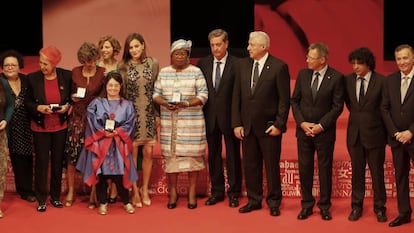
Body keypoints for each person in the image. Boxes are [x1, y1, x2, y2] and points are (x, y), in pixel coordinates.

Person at [232, 31, 291, 216]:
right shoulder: (242, 65)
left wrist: (280, 124)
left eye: (251, 44)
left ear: (263, 47)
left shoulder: (278, 67)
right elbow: (237, 97)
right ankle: (253, 199)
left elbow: (284, 99)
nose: (248, 48)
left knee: (271, 166)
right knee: (250, 165)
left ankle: (274, 201)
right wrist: (237, 123)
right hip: (247, 126)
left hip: (269, 126)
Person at [291, 42, 344, 221]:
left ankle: (324, 206)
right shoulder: (303, 74)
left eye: (311, 58)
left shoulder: (336, 77)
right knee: (305, 168)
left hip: (325, 132)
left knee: (324, 169)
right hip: (304, 131)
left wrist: (321, 126)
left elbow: (337, 107)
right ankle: (306, 205)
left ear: (322, 60)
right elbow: (295, 101)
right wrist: (301, 123)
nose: (306, 60)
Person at [153, 39, 208, 209]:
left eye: (182, 54)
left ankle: (192, 193)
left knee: (192, 159)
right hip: (170, 124)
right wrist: (164, 103)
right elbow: (155, 94)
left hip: (192, 124)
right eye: (176, 54)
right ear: (171, 56)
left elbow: (204, 95)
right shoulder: (164, 72)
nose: (179, 57)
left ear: (187, 56)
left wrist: (186, 103)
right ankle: (173, 193)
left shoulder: (196, 72)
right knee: (172, 160)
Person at [76, 71, 138, 215]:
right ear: (106, 85)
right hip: (101, 143)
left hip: (118, 144)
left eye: (116, 85)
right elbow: (91, 121)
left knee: (120, 174)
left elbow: (131, 123)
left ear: (120, 86)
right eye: (110, 85)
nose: (113, 88)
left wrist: (118, 132)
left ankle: (126, 202)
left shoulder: (128, 105)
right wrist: (102, 131)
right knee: (101, 175)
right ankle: (102, 203)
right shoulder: (96, 103)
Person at [197, 29, 242, 208]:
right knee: (213, 156)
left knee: (232, 156)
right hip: (209, 118)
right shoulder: (203, 63)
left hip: (231, 119)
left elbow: (239, 94)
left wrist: (239, 120)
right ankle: (217, 191)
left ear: (226, 44)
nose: (215, 48)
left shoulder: (238, 64)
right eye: (212, 45)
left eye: (218, 44)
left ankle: (234, 192)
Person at [25, 46, 72, 212]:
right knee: (42, 163)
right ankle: (41, 198)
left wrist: (67, 106)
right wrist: (39, 108)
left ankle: (56, 196)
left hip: (60, 126)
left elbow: (72, 98)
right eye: (40, 62)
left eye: (46, 63)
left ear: (54, 63)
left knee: (58, 162)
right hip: (40, 127)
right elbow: (28, 102)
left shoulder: (66, 76)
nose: (42, 66)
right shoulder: (32, 78)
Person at [344, 47, 387, 222]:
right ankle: (356, 206)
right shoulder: (347, 80)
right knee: (357, 173)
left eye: (359, 63)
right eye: (353, 63)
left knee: (377, 173)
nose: (355, 67)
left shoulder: (382, 81)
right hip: (354, 134)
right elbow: (349, 104)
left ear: (368, 64)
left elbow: (384, 107)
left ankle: (380, 207)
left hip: (375, 135)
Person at [118, 32, 160, 207]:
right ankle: (134, 190)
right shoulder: (123, 66)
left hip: (150, 113)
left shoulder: (153, 63)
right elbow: (122, 93)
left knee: (149, 153)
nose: (134, 49)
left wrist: (157, 114)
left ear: (143, 45)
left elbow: (157, 90)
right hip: (131, 115)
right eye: (131, 47)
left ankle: (144, 189)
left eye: (137, 46)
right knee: (133, 155)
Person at [64, 42, 105, 208]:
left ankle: (94, 191)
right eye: (87, 61)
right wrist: (71, 99)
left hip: (94, 118)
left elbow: (103, 97)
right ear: (82, 59)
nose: (90, 63)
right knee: (72, 155)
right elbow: (68, 93)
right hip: (77, 117)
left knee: (94, 155)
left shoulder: (102, 73)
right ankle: (71, 190)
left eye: (93, 60)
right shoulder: (74, 72)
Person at [381, 44, 414, 227]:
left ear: (413, 58)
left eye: (405, 57)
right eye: (399, 58)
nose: (402, 62)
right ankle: (404, 213)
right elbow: (384, 108)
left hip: (413, 135)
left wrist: (410, 132)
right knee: (401, 176)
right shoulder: (390, 80)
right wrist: (395, 133)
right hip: (397, 139)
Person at [0, 50, 36, 203]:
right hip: (8, 125)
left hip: (26, 124)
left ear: (19, 66)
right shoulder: (0, 82)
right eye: (6, 65)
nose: (9, 67)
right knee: (16, 157)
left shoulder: (26, 80)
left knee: (26, 156)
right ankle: (24, 190)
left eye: (13, 65)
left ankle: (27, 188)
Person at [97, 34, 122, 203]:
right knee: (103, 150)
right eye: (102, 47)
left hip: (118, 109)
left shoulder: (120, 65)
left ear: (114, 49)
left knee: (116, 149)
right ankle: (101, 187)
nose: (104, 50)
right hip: (102, 108)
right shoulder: (97, 65)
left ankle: (114, 189)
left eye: (107, 47)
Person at [0, 67, 13, 218]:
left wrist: (5, 120)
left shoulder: (3, 83)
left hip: (1, 133)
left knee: (1, 170)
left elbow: (10, 105)